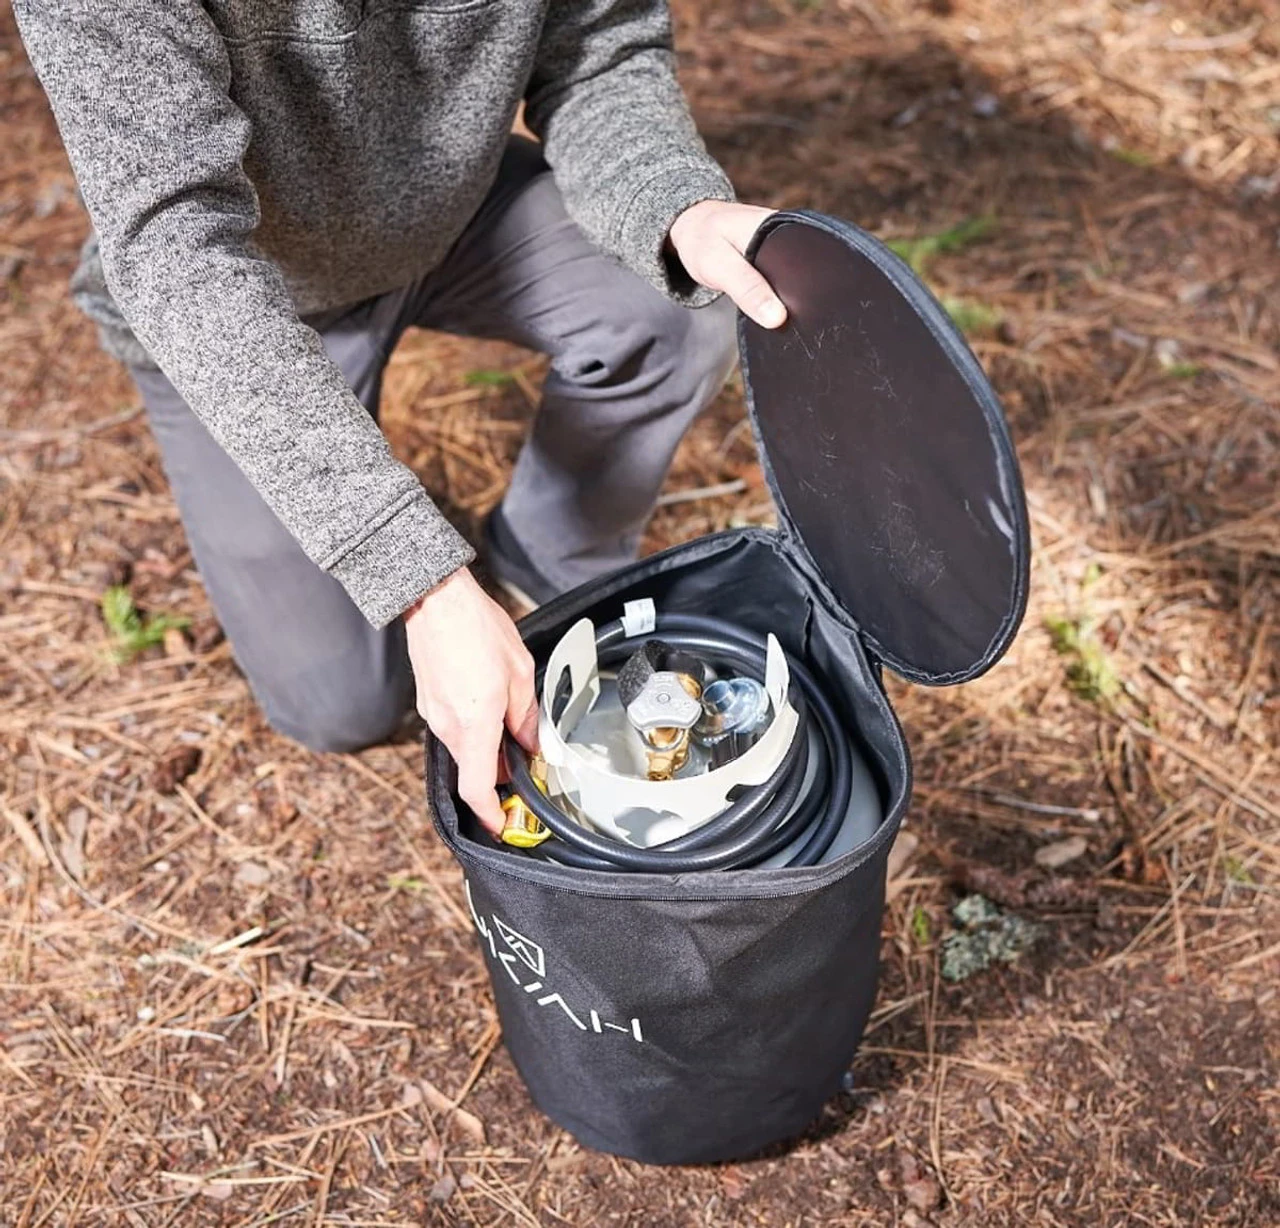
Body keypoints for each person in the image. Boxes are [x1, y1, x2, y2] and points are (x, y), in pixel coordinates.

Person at [15, 1, 788, 835]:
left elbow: (598, 51)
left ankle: (541, 562)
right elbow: (177, 250)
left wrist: (679, 208)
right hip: (240, 292)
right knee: (340, 706)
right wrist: (418, 578)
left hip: (452, 220)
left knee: (677, 306)